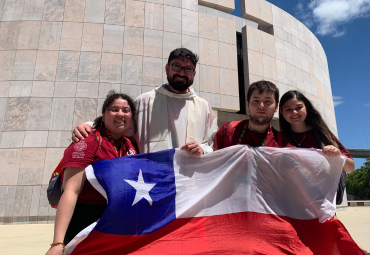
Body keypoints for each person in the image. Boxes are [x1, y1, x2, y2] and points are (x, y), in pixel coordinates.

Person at [72, 48, 218, 156]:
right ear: (167, 68)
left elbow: (212, 142)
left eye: (187, 69)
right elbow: (119, 124)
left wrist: (202, 149)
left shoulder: (203, 106)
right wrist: (89, 126)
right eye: (177, 67)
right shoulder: (145, 101)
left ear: (194, 73)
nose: (181, 73)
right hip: (152, 177)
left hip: (189, 178)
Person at [46, 91, 138, 255]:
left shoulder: (129, 147)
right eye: (114, 109)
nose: (120, 114)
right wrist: (57, 243)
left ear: (132, 117)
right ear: (103, 115)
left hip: (111, 220)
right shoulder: (87, 142)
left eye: (126, 110)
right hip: (83, 218)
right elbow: (71, 191)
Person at [279, 90, 354, 172]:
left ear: (306, 109)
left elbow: (350, 168)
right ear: (282, 113)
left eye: (299, 107)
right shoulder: (278, 139)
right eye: (288, 109)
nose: (294, 112)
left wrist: (338, 155)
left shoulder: (323, 134)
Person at [214, 80, 290, 149]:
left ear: (276, 107)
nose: (261, 106)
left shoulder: (283, 144)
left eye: (268, 101)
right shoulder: (227, 130)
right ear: (248, 105)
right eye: (256, 100)